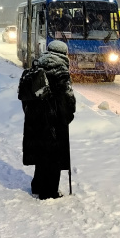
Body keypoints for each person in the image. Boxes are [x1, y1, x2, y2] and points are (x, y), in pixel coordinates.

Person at [18, 40, 76, 200]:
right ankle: (49, 192)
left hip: (35, 119)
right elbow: (67, 98)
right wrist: (66, 116)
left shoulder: (37, 66)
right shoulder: (61, 70)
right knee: (54, 157)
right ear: (64, 53)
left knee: (41, 154)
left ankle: (37, 186)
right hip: (53, 121)